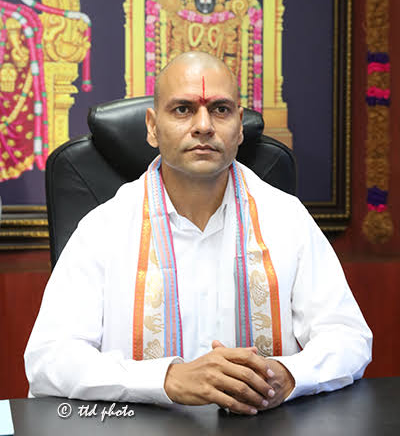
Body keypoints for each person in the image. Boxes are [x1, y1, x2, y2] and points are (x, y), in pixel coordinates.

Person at [25, 51, 372, 415]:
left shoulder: (286, 218)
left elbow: (348, 337)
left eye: (220, 110)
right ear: (152, 127)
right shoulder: (103, 229)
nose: (204, 125)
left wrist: (288, 375)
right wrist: (168, 379)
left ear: (240, 126)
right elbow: (50, 358)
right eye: (183, 109)